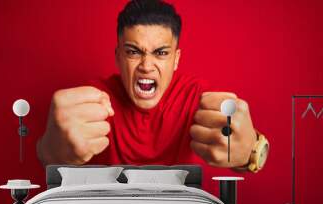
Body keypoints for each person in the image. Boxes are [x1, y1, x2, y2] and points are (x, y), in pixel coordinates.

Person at [36, 0, 269, 173]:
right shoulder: (93, 99)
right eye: (133, 52)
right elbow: (51, 153)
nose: (147, 66)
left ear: (176, 59)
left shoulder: (197, 98)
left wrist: (250, 151)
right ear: (118, 57)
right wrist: (51, 151)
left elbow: (236, 142)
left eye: (161, 53)